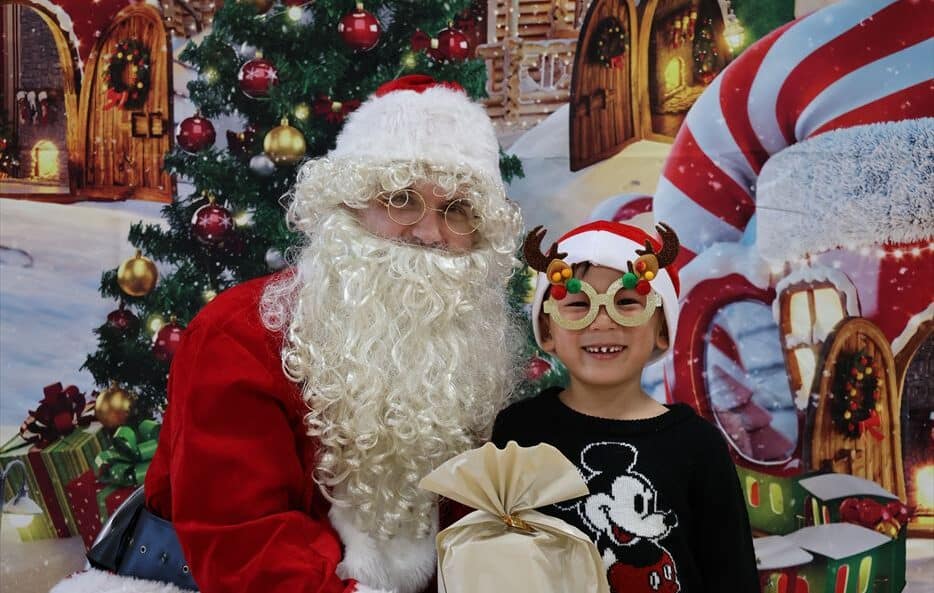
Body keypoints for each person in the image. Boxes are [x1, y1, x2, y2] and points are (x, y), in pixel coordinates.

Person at [52, 74, 524, 593]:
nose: (431, 234)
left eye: (456, 210)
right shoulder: (241, 334)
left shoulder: (468, 343)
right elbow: (247, 543)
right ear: (350, 205)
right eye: (402, 200)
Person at [492, 221, 760, 593]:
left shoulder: (698, 447)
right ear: (548, 330)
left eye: (628, 303)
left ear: (662, 327)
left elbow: (733, 577)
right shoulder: (517, 433)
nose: (603, 321)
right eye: (578, 304)